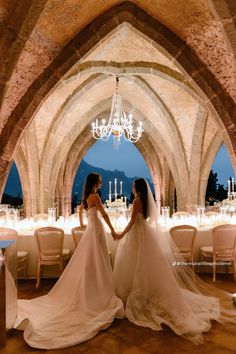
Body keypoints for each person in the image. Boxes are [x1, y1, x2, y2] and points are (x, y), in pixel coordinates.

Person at [113, 178, 236, 344]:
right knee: (147, 266)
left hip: (137, 235)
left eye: (134, 185)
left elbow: (131, 222)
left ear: (137, 188)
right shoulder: (146, 202)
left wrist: (121, 235)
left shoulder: (136, 201)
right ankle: (148, 292)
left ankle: (138, 295)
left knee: (137, 265)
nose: (133, 187)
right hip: (145, 234)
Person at [14, 173, 124, 349]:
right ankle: (98, 290)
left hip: (90, 231)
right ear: (95, 182)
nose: (102, 183)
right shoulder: (95, 196)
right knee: (97, 260)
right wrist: (112, 230)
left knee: (90, 262)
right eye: (100, 180)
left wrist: (82, 224)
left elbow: (82, 212)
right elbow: (104, 215)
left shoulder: (86, 198)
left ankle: (91, 288)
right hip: (96, 232)